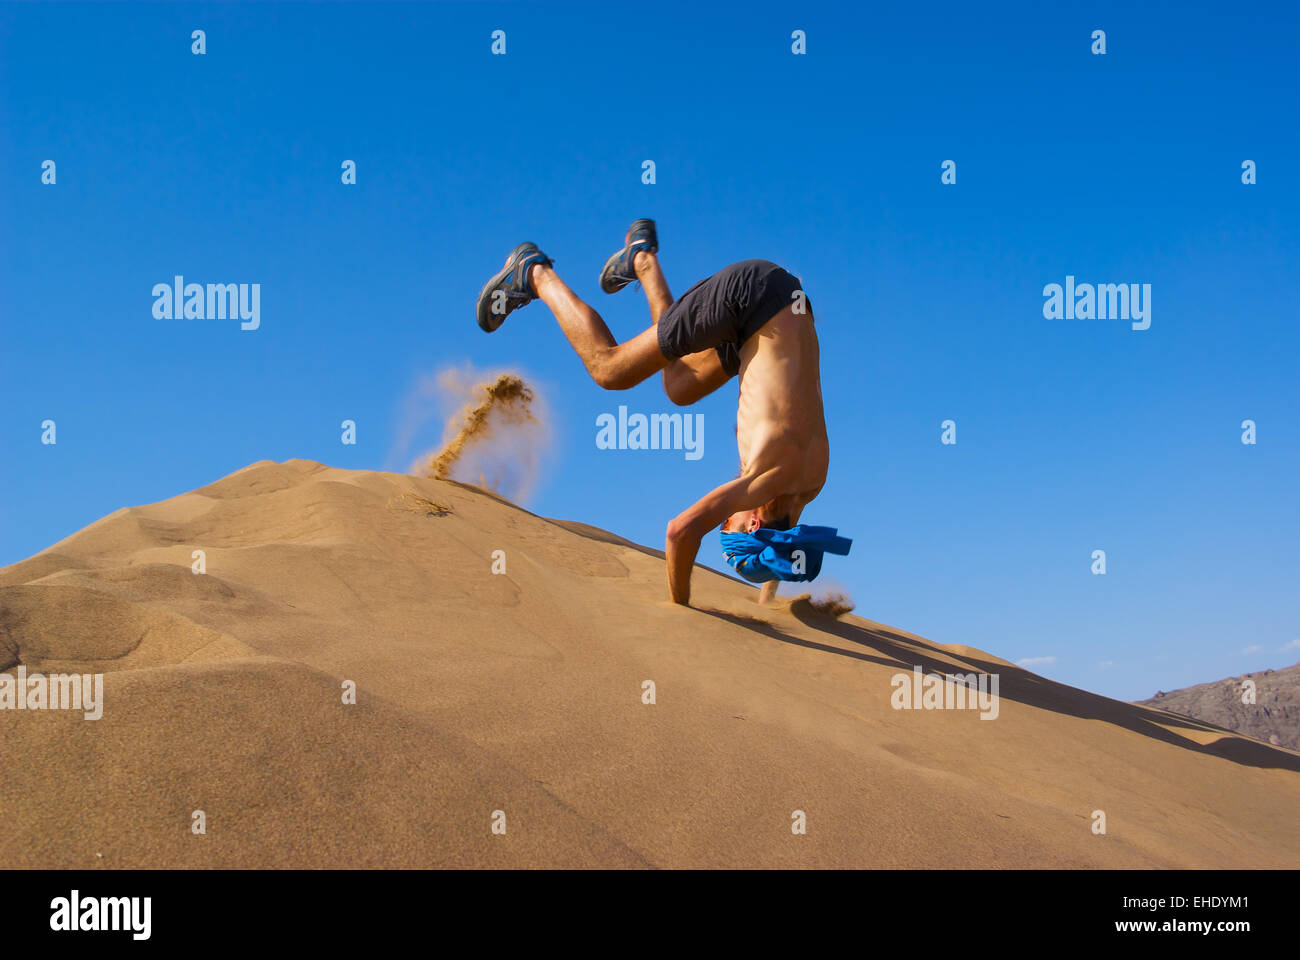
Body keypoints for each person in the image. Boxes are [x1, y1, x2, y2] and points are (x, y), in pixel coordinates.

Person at [476, 219, 843, 606]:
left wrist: (768, 592)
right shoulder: (764, 482)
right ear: (751, 523)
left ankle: (641, 258)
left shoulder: (809, 484)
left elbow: (783, 537)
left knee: (679, 386)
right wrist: (680, 608)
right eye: (727, 526)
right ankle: (534, 272)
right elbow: (680, 532)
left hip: (784, 306)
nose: (724, 518)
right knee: (610, 369)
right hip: (750, 296)